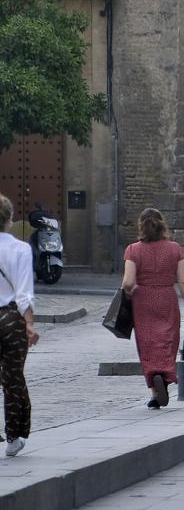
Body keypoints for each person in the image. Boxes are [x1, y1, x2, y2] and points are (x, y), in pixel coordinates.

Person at [122, 208, 184, 409]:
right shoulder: (174, 249)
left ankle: (155, 387)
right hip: (166, 297)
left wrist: (128, 294)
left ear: (141, 226)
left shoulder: (133, 250)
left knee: (148, 342)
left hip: (142, 300)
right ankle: (164, 374)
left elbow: (128, 282)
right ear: (162, 225)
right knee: (166, 339)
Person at [0, 194, 37, 456]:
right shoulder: (20, 249)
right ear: (10, 220)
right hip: (11, 318)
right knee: (13, 377)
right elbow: (24, 293)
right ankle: (14, 436)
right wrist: (30, 323)